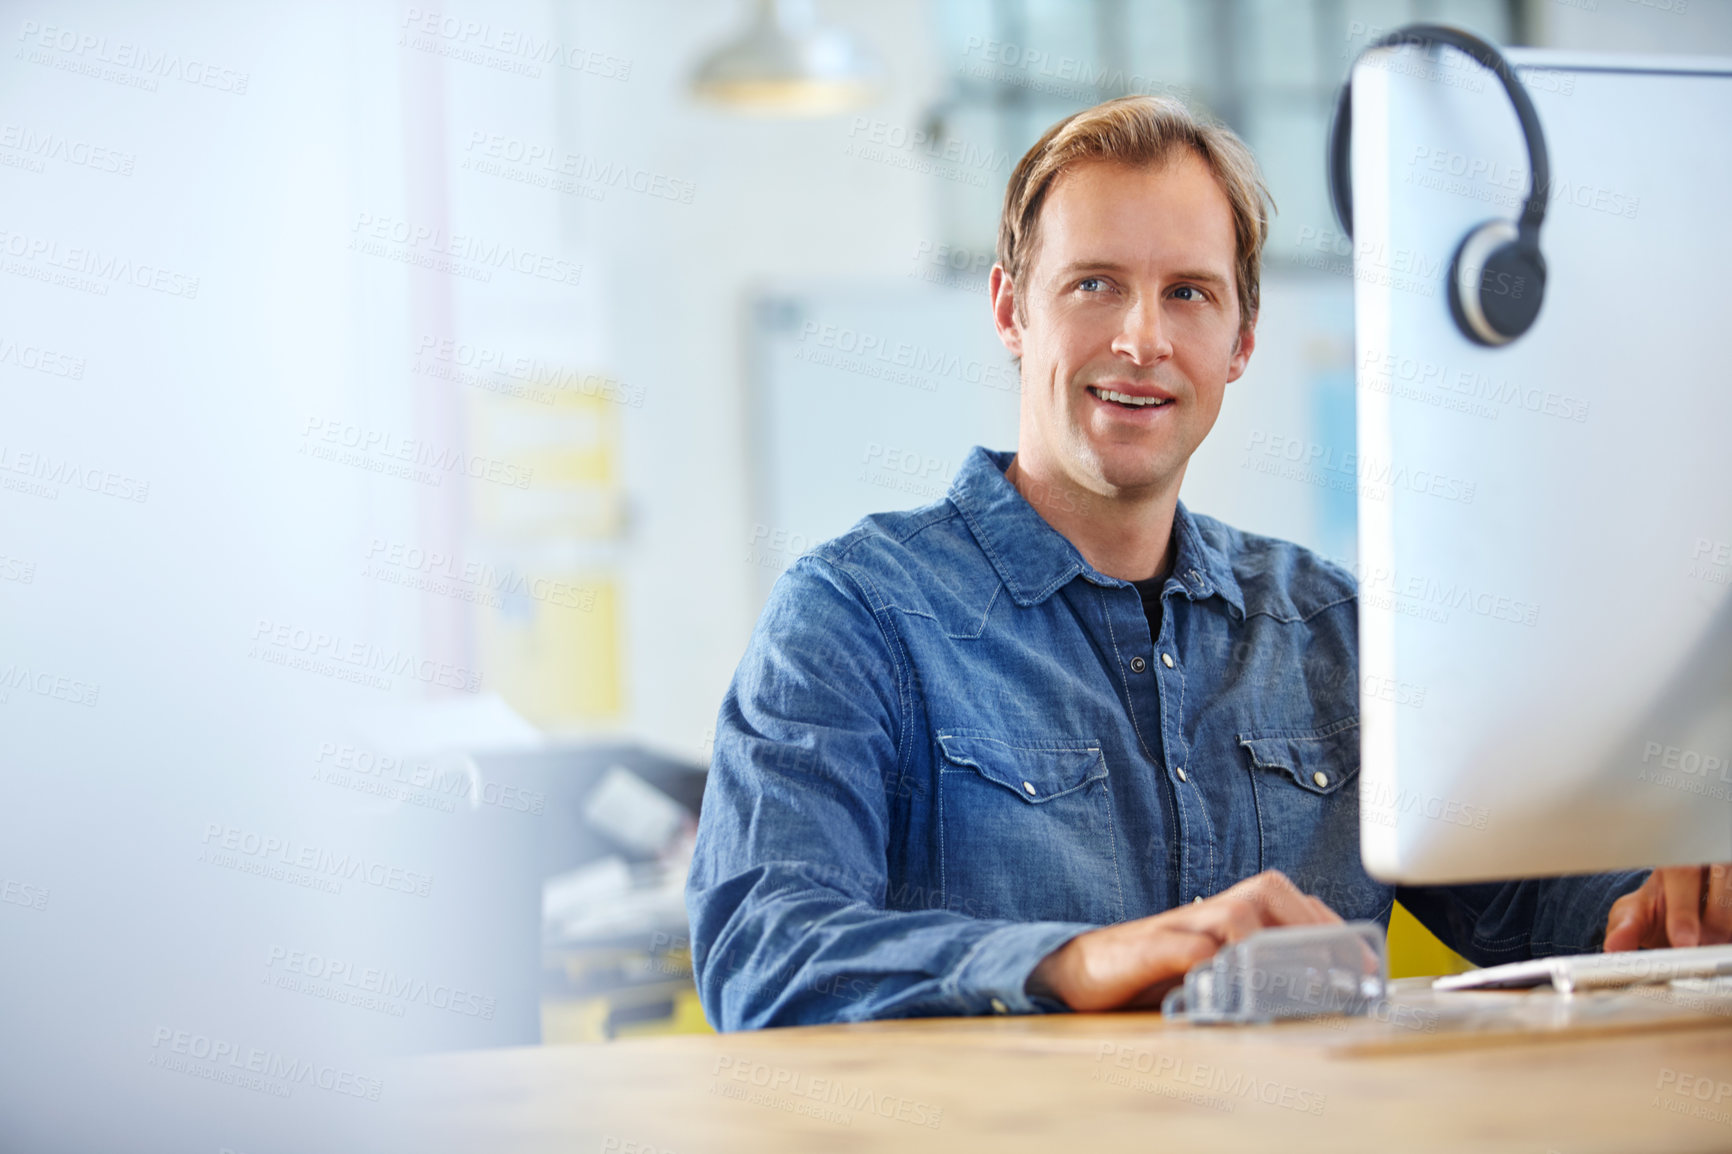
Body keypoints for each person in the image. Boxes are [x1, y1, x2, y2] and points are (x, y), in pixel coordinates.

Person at [685, 95, 1725, 1031]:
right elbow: (762, 951)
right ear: (1010, 309)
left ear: (1240, 340)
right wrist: (1075, 959)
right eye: (1094, 284)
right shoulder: (854, 614)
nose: (1142, 339)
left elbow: (1540, 903)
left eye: (1187, 293)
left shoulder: (1333, 631)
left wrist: (1667, 897)